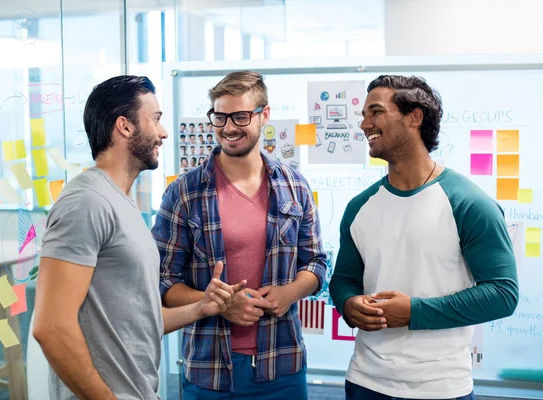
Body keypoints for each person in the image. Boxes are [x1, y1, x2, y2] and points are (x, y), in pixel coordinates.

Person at [33, 75, 246, 400]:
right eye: (156, 119)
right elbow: (50, 327)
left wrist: (201, 308)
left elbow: (135, 320)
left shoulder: (121, 202)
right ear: (125, 126)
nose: (163, 133)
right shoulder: (85, 203)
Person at [329, 75, 519, 400]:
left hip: (440, 389)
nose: (364, 124)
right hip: (365, 382)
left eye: (375, 112)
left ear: (414, 117)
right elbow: (344, 279)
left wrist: (415, 312)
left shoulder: (470, 204)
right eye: (363, 115)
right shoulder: (359, 207)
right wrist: (348, 303)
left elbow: (503, 293)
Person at [152, 70, 327, 399]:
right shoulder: (184, 193)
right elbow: (162, 281)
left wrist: (290, 292)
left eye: (241, 117)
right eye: (220, 117)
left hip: (282, 365)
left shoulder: (294, 185)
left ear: (264, 116)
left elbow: (316, 262)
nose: (229, 128)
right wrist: (218, 304)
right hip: (209, 369)